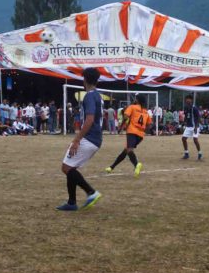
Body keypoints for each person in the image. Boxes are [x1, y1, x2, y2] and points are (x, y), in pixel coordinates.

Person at [57, 67, 103, 212]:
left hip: (89, 138)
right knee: (71, 168)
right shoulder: (97, 95)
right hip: (95, 139)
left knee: (66, 167)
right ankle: (72, 203)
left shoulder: (89, 96)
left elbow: (89, 119)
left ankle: (91, 192)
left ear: (85, 80)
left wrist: (76, 140)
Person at [106, 93, 151, 178]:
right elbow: (149, 124)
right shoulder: (146, 111)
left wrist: (121, 127)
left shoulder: (132, 107)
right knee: (126, 151)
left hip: (132, 132)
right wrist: (143, 130)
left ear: (137, 100)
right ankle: (111, 167)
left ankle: (137, 164)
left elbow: (126, 117)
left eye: (136, 98)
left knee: (129, 150)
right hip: (140, 135)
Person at [181, 94, 203, 160]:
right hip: (188, 126)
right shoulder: (186, 107)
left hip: (194, 126)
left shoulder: (194, 108)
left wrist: (196, 127)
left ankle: (200, 153)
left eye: (189, 99)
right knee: (183, 139)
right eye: (186, 99)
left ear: (191, 100)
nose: (187, 100)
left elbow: (198, 117)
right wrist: (183, 124)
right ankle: (186, 153)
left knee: (195, 140)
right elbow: (186, 116)